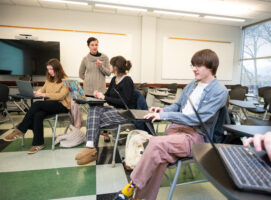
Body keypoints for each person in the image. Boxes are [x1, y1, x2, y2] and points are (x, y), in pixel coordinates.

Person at [113, 49, 228, 200]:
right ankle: (140, 198)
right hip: (176, 130)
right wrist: (163, 109)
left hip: (195, 135)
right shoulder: (192, 85)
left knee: (155, 144)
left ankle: (133, 185)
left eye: (199, 65)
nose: (194, 69)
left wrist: (163, 115)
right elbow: (178, 106)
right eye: (193, 65)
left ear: (211, 67)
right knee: (160, 156)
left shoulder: (220, 91)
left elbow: (197, 119)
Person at [75, 56, 136, 165]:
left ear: (116, 67)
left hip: (125, 113)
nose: (109, 67)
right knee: (94, 109)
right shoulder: (114, 79)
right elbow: (108, 96)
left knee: (95, 119)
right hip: (115, 110)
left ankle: (91, 148)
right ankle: (91, 147)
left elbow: (124, 102)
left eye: (111, 65)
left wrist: (104, 98)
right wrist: (99, 95)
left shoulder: (127, 81)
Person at [4, 59, 71, 154]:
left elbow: (61, 96)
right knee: (38, 114)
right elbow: (43, 89)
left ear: (57, 68)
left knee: (37, 104)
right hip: (49, 104)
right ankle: (38, 143)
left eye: (51, 69)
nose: (49, 72)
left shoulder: (66, 80)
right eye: (48, 69)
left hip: (62, 105)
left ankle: (21, 129)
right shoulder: (49, 79)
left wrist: (43, 95)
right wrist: (37, 92)